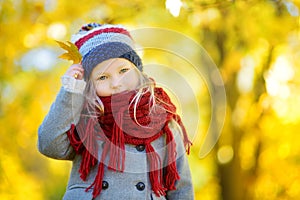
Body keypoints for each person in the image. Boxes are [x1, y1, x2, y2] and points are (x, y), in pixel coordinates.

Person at [38, 23, 194, 200]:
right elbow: (49, 145)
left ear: (138, 72)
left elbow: (181, 187)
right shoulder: (85, 118)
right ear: (90, 85)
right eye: (103, 77)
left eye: (124, 70)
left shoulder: (161, 119)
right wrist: (70, 90)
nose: (116, 83)